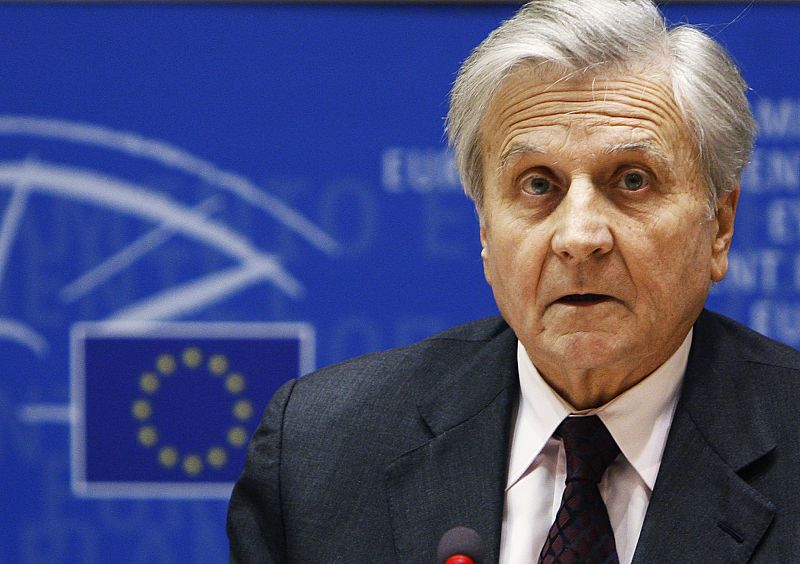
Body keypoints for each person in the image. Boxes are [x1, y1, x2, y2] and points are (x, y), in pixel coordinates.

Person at [228, 1, 800, 562]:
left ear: (720, 225)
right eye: (537, 185)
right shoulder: (320, 451)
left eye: (632, 180)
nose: (579, 236)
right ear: (485, 228)